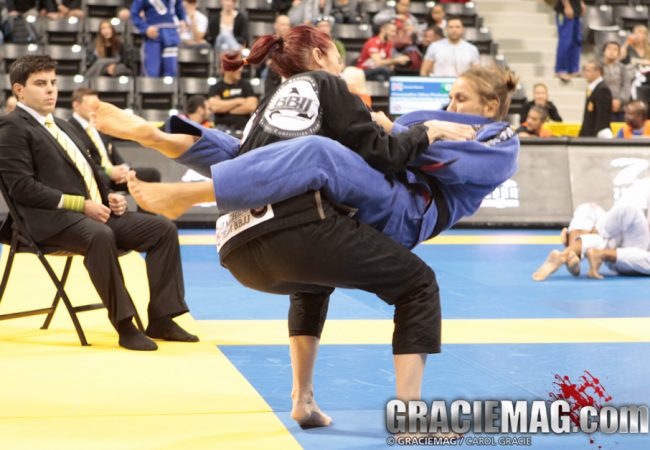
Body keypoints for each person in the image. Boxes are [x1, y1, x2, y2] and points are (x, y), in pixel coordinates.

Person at [89, 28, 518, 428]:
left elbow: (442, 160)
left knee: (314, 154)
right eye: (451, 97)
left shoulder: (501, 138)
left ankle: (190, 177)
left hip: (404, 207)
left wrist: (409, 131)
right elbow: (374, 146)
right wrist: (412, 129)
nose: (451, 107)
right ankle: (303, 398)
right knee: (274, 169)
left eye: (461, 99)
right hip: (367, 196)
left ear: (490, 107)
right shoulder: (393, 108)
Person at [0, 55, 197, 351]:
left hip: (88, 215)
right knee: (100, 235)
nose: (51, 89)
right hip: (46, 223)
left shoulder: (63, 125)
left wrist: (108, 197)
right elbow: (22, 189)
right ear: (19, 90)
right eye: (40, 84)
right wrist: (82, 204)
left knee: (162, 230)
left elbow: (86, 172)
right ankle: (125, 325)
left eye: (53, 82)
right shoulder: (11, 127)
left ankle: (162, 317)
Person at [532, 183, 650, 281]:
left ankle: (571, 249)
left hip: (637, 255)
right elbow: (619, 213)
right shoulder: (643, 187)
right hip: (621, 235)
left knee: (630, 212)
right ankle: (572, 256)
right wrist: (599, 231)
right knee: (588, 208)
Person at [68, 88, 162, 194]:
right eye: (91, 104)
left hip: (114, 175)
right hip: (96, 176)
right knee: (104, 178)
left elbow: (112, 153)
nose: (95, 108)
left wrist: (123, 169)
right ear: (76, 105)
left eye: (97, 105)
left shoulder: (99, 124)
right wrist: (108, 172)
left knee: (152, 175)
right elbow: (81, 162)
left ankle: (144, 206)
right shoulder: (70, 128)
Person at [131, 0, 187, 77]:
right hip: (153, 36)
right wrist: (146, 28)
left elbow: (179, 8)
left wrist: (182, 20)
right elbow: (134, 14)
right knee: (152, 72)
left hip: (171, 37)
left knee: (171, 73)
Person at [207, 65, 258, 134]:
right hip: (222, 130)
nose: (240, 70)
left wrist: (224, 109)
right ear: (227, 69)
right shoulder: (215, 87)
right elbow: (215, 107)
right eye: (237, 67)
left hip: (243, 129)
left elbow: (252, 106)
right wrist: (238, 101)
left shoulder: (246, 85)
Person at [578, 60, 613, 138]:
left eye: (588, 71)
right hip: (587, 135)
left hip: (595, 136)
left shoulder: (602, 90)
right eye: (585, 70)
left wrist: (595, 138)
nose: (585, 74)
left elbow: (602, 118)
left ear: (598, 72)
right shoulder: (592, 88)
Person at [554, 0, 585, 83]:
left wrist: (581, 2)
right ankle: (560, 70)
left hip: (576, 10)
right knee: (565, 41)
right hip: (565, 11)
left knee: (576, 41)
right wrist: (567, 5)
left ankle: (573, 69)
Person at [602, 41, 631, 122]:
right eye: (609, 49)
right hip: (602, 105)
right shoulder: (599, 68)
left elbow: (626, 85)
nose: (611, 52)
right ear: (603, 52)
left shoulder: (622, 68)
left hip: (620, 106)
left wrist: (620, 100)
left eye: (615, 49)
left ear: (618, 54)